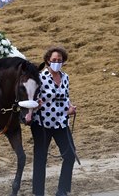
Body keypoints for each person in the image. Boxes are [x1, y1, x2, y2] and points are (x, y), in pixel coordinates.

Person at [31, 46, 77, 196]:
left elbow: (66, 97)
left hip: (61, 122)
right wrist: (35, 105)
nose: (56, 62)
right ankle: (38, 193)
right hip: (43, 124)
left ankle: (62, 190)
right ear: (47, 61)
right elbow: (32, 98)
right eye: (54, 60)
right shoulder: (40, 77)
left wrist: (70, 107)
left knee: (70, 154)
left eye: (59, 60)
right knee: (40, 159)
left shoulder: (65, 77)